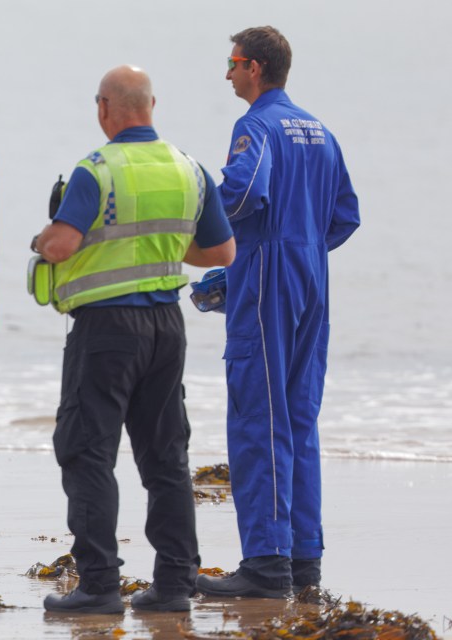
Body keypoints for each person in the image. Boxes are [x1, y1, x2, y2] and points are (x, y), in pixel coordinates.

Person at [35, 66, 236, 614]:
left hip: (106, 330)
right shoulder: (188, 168)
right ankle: (173, 586)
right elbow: (221, 253)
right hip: (166, 329)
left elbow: (61, 246)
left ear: (104, 107)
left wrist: (43, 236)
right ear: (152, 105)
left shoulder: (95, 170)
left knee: (86, 452)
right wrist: (165, 249)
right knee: (166, 457)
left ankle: (99, 585)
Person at [196, 27, 360, 599]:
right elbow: (345, 215)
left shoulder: (256, 126)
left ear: (257, 68)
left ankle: (265, 565)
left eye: (234, 63)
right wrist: (300, 245)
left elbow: (240, 197)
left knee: (257, 417)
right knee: (298, 419)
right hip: (314, 278)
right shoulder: (321, 130)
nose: (228, 74)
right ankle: (303, 561)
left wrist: (228, 251)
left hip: (270, 279)